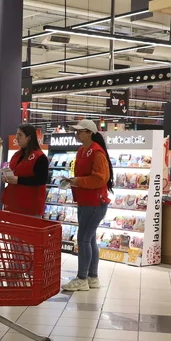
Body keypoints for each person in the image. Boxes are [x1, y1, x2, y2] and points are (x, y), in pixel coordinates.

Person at [62, 119, 112, 292]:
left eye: (80, 131)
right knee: (89, 239)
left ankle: (82, 278)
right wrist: (74, 181)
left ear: (90, 133)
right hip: (85, 200)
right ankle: (92, 276)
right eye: (76, 131)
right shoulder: (82, 150)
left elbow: (100, 178)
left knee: (84, 239)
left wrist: (77, 181)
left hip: (94, 201)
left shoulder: (97, 152)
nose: (77, 134)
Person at [2, 124, 49, 216]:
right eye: (16, 134)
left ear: (28, 138)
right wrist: (7, 178)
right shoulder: (16, 155)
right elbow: (15, 172)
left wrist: (18, 180)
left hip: (30, 207)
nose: (16, 137)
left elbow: (41, 180)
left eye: (20, 135)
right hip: (14, 204)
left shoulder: (40, 157)